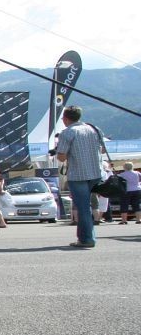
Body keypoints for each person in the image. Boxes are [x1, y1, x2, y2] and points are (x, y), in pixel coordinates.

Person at [55, 105, 104, 248]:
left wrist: (60, 151)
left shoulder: (67, 133)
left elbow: (61, 157)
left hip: (78, 175)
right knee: (88, 206)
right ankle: (84, 237)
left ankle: (87, 239)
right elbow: (101, 150)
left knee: (83, 208)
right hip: (96, 173)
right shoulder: (94, 129)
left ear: (65, 118)